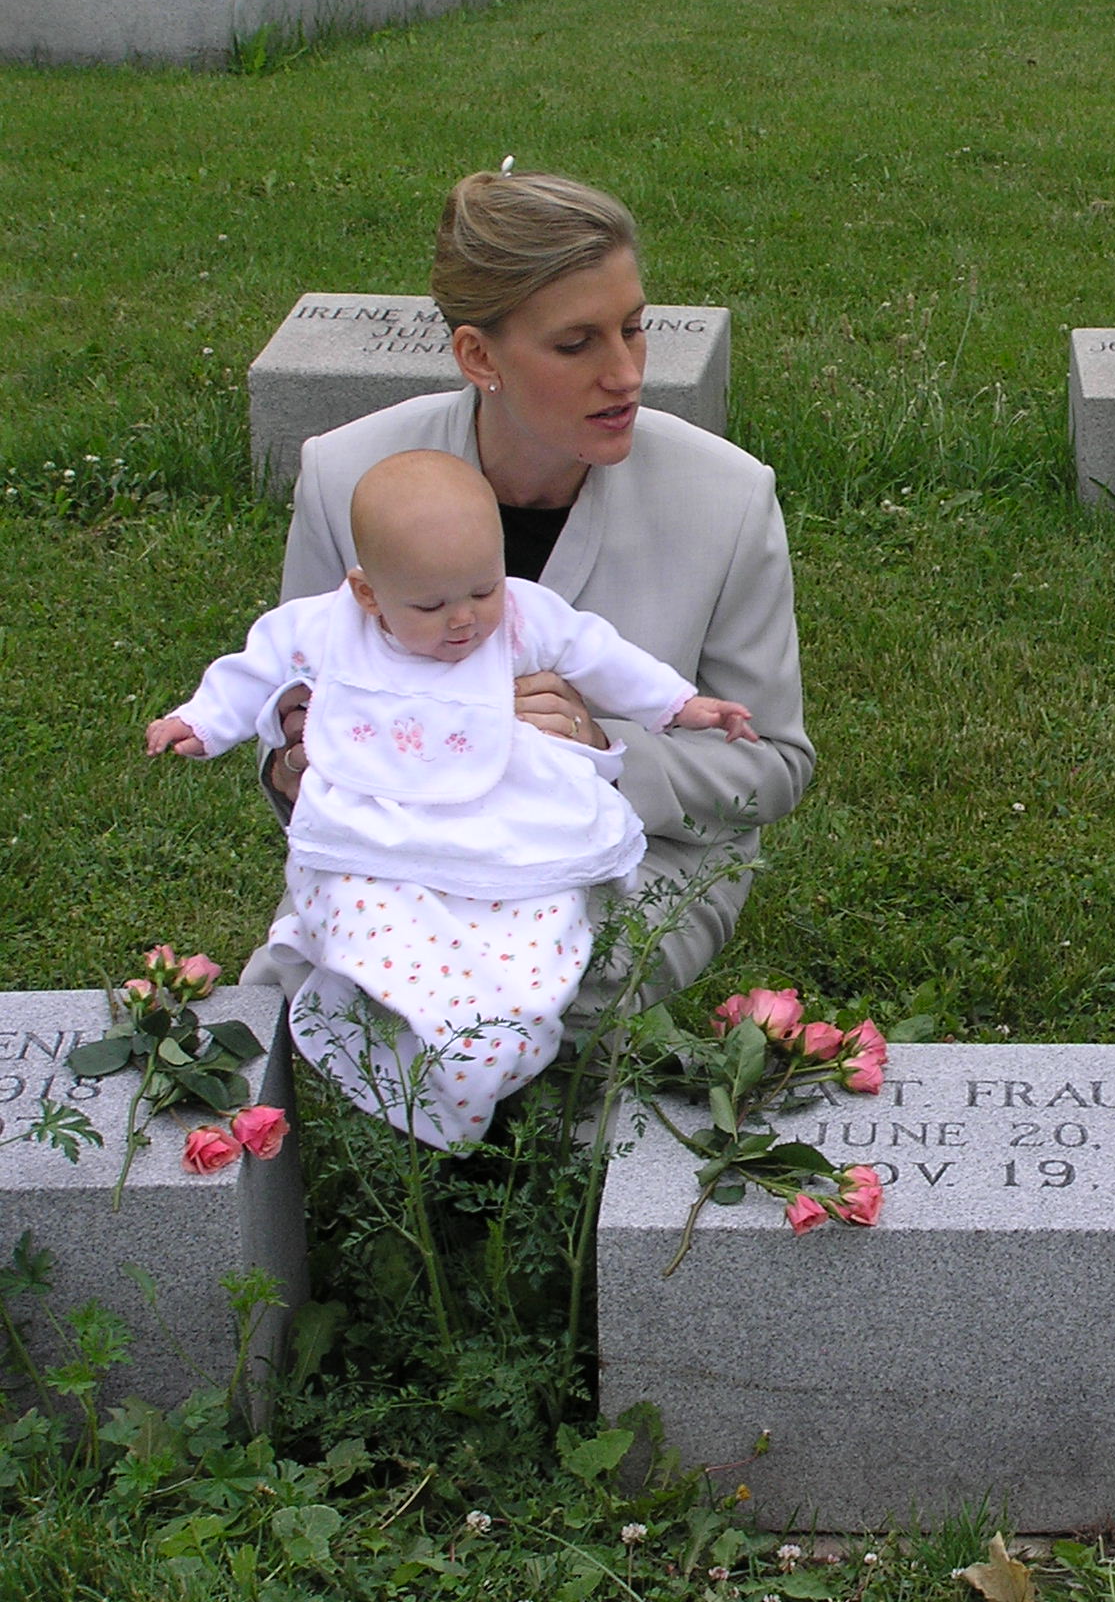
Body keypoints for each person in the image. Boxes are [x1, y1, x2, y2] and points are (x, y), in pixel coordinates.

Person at [251, 166, 813, 1046]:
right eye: (576, 344)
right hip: (399, 862)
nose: (625, 374)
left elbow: (775, 766)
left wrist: (600, 749)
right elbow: (291, 714)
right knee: (299, 997)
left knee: (538, 999)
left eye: (634, 329)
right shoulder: (346, 475)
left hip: (637, 855)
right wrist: (297, 760)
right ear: (479, 357)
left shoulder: (726, 498)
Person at [152, 450, 762, 1147]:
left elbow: (602, 656)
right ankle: (398, 1026)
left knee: (539, 939)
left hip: (504, 836)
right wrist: (201, 724)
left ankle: (486, 1049)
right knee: (359, 918)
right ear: (368, 594)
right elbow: (251, 671)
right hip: (375, 837)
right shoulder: (324, 628)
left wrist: (680, 705)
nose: (465, 621)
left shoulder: (521, 616)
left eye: (483, 589)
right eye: (431, 606)